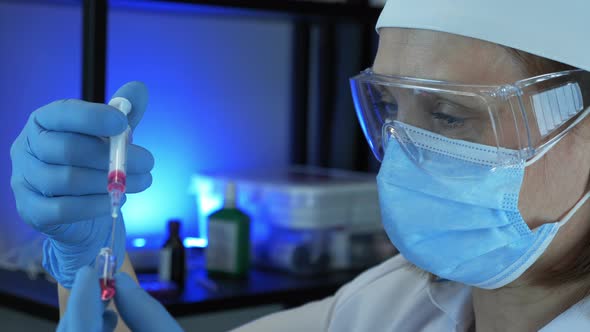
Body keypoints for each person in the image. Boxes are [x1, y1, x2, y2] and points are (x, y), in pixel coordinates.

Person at [10, 0, 590, 330]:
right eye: (389, 107)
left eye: (448, 115)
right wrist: (85, 263)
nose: (406, 155)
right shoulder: (392, 305)